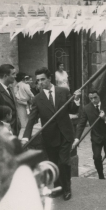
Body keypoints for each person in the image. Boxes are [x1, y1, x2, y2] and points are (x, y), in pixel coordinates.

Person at [21, 67, 81, 201]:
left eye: (43, 79)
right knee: (54, 163)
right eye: (38, 81)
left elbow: (72, 109)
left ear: (49, 79)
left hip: (65, 134)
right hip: (50, 137)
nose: (40, 82)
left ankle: (67, 188)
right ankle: (58, 188)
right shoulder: (37, 99)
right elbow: (31, 120)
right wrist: (25, 137)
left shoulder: (63, 91)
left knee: (63, 162)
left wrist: (76, 99)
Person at [72, 90, 106, 181]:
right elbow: (81, 124)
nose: (93, 100)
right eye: (91, 98)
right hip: (96, 137)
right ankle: (101, 177)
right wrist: (77, 138)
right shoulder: (87, 108)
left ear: (99, 96)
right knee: (96, 157)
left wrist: (105, 118)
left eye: (95, 97)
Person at [0, 64, 20, 136]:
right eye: (13, 74)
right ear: (5, 76)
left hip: (14, 130)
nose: (15, 76)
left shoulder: (9, 87)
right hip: (4, 133)